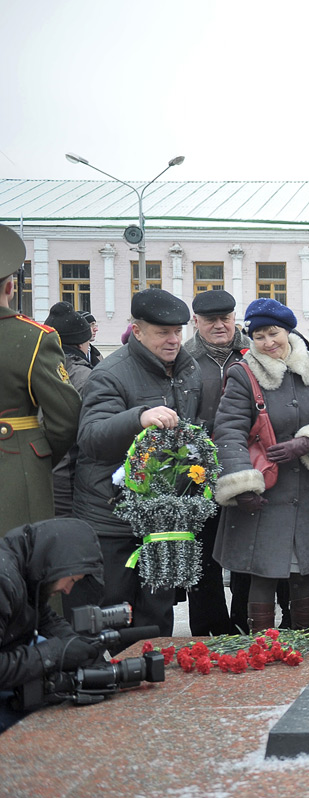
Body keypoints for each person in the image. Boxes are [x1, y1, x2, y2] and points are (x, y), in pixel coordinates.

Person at [212, 299, 309, 632]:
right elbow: (229, 430)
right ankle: (262, 649)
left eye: (273, 333)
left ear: (288, 331)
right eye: (259, 336)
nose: (267, 342)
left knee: (303, 575)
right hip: (265, 493)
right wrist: (242, 485)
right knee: (263, 575)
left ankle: (303, 645)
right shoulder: (243, 373)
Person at [71, 289, 200, 635]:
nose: (174, 340)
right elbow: (91, 437)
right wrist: (138, 418)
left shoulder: (188, 368)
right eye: (163, 332)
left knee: (158, 612)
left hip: (164, 516)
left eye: (178, 331)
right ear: (138, 331)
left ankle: (155, 668)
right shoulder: (111, 373)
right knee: (114, 611)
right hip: (113, 517)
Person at [0, 226, 81, 535]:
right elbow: (66, 416)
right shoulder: (35, 338)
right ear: (11, 287)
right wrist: (34, 454)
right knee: (17, 554)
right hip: (14, 469)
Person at [181, 289, 250, 635]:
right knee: (203, 553)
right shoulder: (183, 358)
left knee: (246, 549)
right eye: (211, 320)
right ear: (196, 321)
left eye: (226, 318)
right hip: (197, 472)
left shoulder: (252, 351)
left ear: (235, 317)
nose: (220, 325)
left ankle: (245, 621)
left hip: (246, 466)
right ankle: (210, 629)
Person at [0, 519, 105, 732]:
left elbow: (44, 617)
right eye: (72, 580)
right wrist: (53, 654)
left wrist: (78, 646)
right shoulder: (4, 582)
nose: (68, 590)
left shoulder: (29, 565)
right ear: (57, 562)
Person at [42, 305, 94, 518]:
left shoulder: (35, 368)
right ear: (81, 343)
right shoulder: (84, 377)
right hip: (68, 480)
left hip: (37, 474)